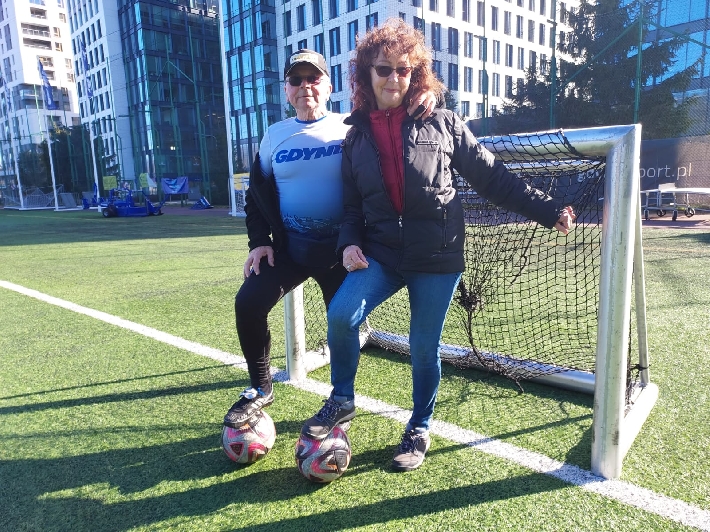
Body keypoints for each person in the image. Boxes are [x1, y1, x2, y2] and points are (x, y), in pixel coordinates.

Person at [300, 19, 576, 471]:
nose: (393, 78)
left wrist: (547, 210)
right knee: (341, 315)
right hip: (383, 255)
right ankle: (342, 399)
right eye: (384, 69)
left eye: (403, 70)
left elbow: (493, 177)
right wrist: (349, 244)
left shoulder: (443, 122)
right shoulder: (355, 139)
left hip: (437, 256)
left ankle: (419, 427)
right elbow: (351, 209)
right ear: (367, 74)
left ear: (416, 74)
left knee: (423, 347)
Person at [223, 49, 437, 429]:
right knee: (248, 302)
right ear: (287, 90)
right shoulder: (274, 136)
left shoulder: (351, 126)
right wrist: (259, 242)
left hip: (343, 251)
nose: (305, 86)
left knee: (343, 323)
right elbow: (256, 195)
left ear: (328, 86)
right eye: (296, 80)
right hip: (291, 250)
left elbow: (395, 117)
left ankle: (341, 400)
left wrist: (425, 95)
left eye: (314, 78)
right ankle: (260, 387)